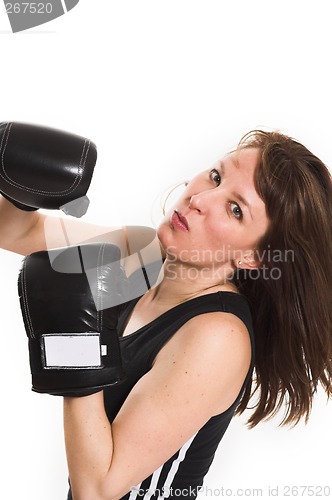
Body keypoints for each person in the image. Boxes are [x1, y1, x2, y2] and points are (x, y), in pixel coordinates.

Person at [0, 123, 331, 500]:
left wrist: (76, 347)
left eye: (235, 208)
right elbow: (14, 230)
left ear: (254, 257)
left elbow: (97, 489)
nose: (201, 199)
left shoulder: (218, 336)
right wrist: (13, 177)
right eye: (216, 176)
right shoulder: (140, 254)